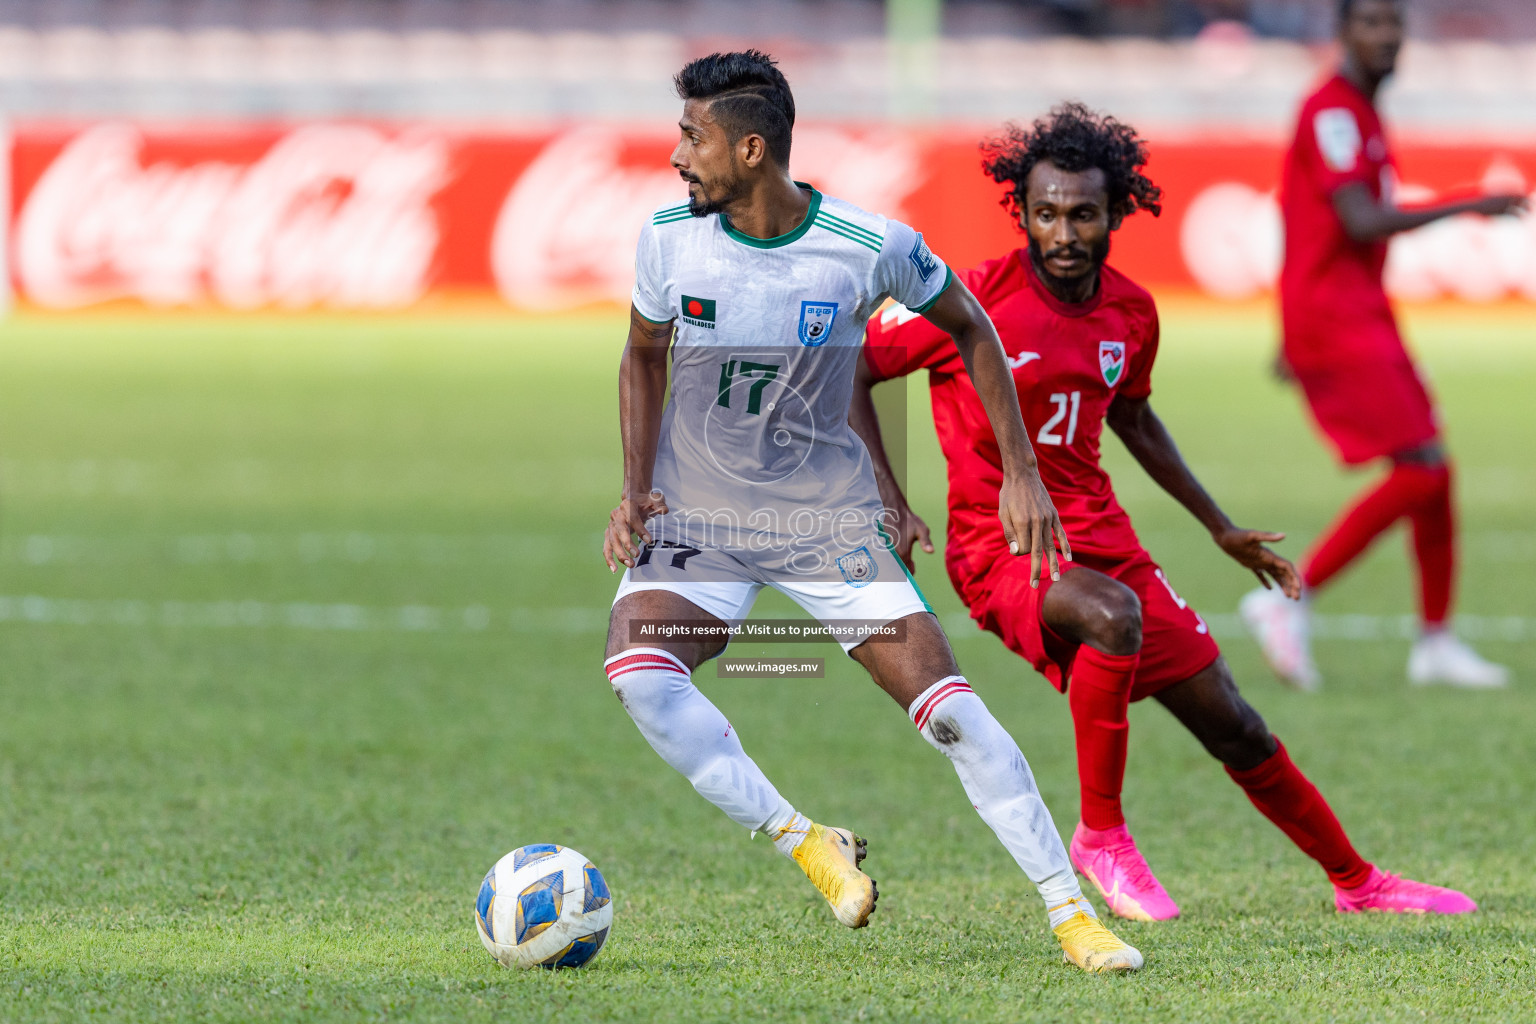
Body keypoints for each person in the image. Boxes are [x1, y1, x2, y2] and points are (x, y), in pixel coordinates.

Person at [853, 102, 1479, 920]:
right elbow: (852, 371)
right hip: (998, 549)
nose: (1065, 233)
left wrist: (1218, 528)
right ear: (1025, 214)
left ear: (1117, 213)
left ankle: (1358, 883)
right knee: (1109, 619)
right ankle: (1101, 838)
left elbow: (1135, 418)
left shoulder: (1132, 312)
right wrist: (891, 502)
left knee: (1237, 725)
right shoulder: (972, 300)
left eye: (1084, 214)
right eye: (1047, 215)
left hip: (1104, 539)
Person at [601, 50, 1142, 971]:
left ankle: (1073, 917)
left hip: (824, 520)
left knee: (952, 715)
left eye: (692, 137)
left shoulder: (867, 244)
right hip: (702, 515)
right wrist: (635, 487)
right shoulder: (665, 239)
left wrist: (1022, 470)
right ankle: (806, 841)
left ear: (752, 147)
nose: (676, 155)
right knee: (640, 673)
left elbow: (974, 327)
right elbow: (643, 355)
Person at [1241, 0, 1526, 690]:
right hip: (1338, 318)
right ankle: (1286, 595)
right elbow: (1360, 218)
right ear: (1342, 33)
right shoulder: (1334, 111)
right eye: (1371, 22)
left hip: (1355, 310)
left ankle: (1434, 643)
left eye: (1395, 22)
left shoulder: (1359, 111)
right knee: (1422, 469)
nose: (1388, 35)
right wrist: (1471, 203)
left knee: (1435, 469)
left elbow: (1300, 213)